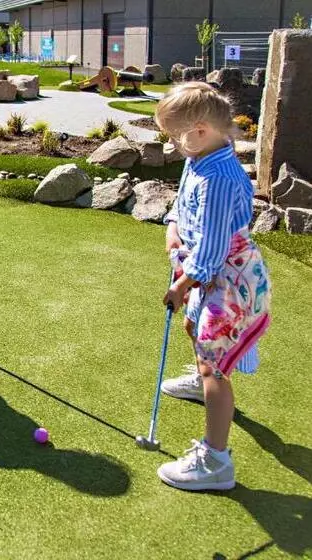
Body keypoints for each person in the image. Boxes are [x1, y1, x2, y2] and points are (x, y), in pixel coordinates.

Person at [154, 82, 272, 491]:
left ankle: (216, 461)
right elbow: (183, 201)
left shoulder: (220, 177)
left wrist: (183, 282)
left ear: (200, 128)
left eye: (175, 136)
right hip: (207, 270)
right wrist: (172, 224)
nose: (172, 144)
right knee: (193, 327)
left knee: (216, 368)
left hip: (226, 276)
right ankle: (200, 379)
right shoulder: (200, 158)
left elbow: (214, 247)